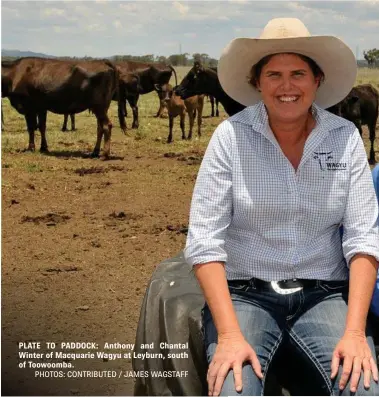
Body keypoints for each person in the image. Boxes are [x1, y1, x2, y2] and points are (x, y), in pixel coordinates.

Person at [184, 17, 379, 396]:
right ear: (257, 82)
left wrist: (355, 333)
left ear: (317, 80)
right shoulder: (230, 138)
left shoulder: (344, 138)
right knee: (232, 390)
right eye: (273, 74)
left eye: (298, 73)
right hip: (245, 293)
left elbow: (363, 238)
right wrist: (227, 334)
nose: (286, 86)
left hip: (324, 292)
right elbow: (205, 240)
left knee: (365, 389)